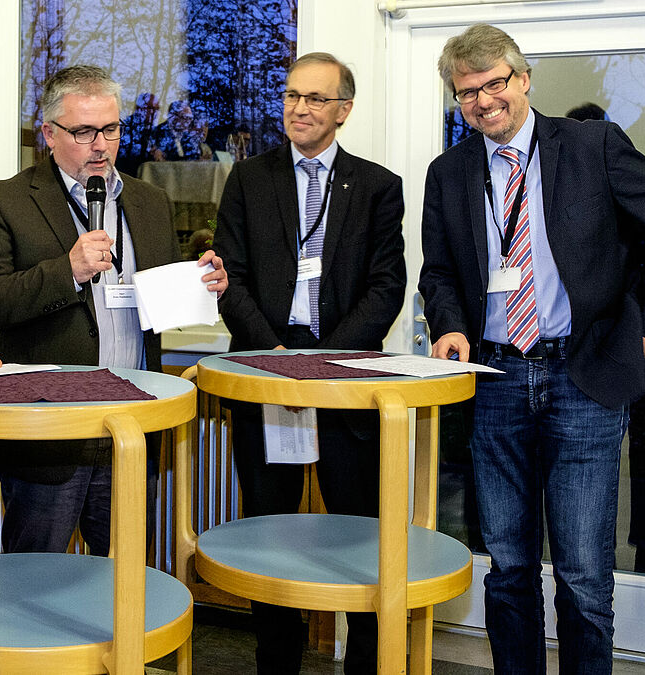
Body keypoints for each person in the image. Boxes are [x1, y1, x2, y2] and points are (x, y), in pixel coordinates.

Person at [418, 24, 645, 673]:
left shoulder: (591, 145)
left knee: (581, 577)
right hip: (493, 380)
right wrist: (450, 323)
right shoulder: (449, 173)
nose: (485, 101)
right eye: (468, 92)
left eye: (495, 83)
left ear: (523, 79)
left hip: (583, 375)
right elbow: (437, 273)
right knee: (509, 568)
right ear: (457, 100)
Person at [0, 64, 227, 556]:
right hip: (47, 433)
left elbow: (153, 305)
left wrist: (202, 286)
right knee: (35, 587)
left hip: (131, 426)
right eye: (83, 131)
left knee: (125, 585)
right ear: (50, 134)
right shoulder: (6, 201)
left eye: (111, 129)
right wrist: (67, 270)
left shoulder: (150, 202)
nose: (100, 144)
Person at [212, 51, 407, 674]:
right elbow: (229, 274)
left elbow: (387, 286)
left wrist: (328, 364)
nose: (299, 108)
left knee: (358, 539)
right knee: (270, 537)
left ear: (343, 110)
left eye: (316, 99)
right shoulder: (248, 177)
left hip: (345, 380)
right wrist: (271, 354)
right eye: (293, 95)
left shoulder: (377, 185)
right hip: (266, 367)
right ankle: (278, 664)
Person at [566, 102, 645, 575]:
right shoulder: (562, 185)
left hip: (638, 336)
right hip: (587, 341)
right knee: (590, 452)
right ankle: (611, 553)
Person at [117, 92, 160, 176]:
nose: (153, 112)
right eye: (149, 108)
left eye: (156, 109)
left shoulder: (154, 131)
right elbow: (124, 157)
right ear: (138, 109)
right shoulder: (126, 129)